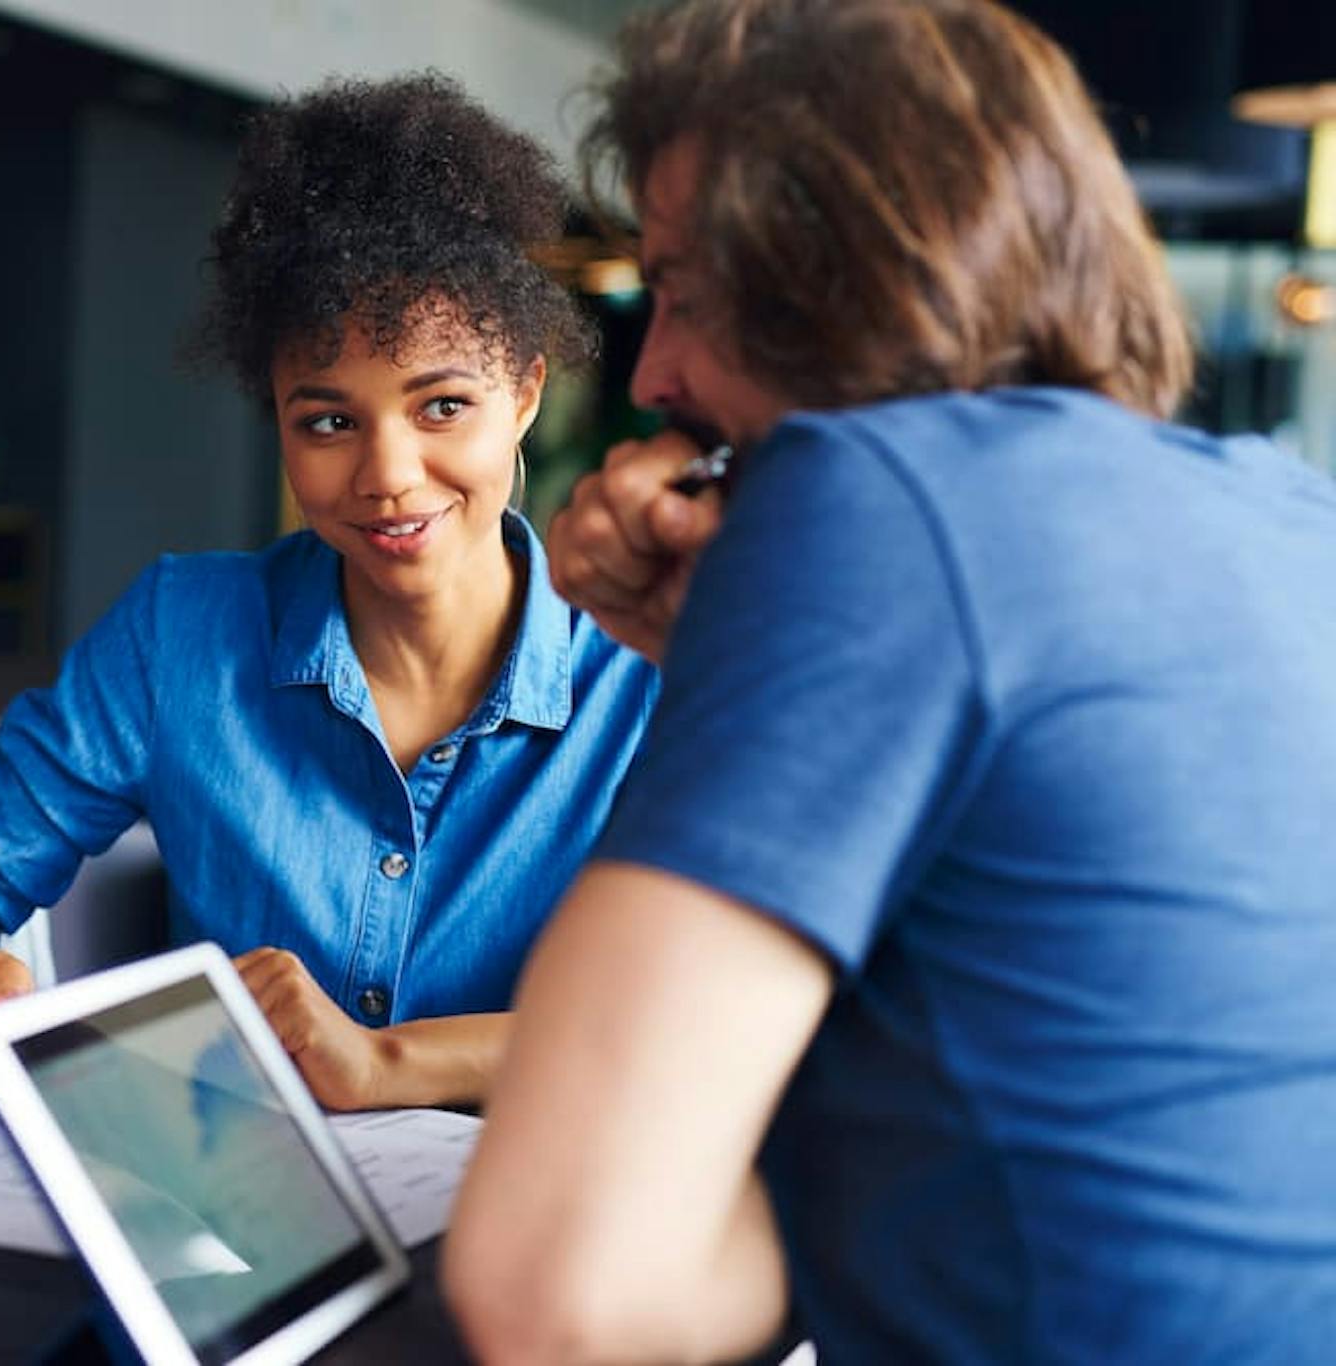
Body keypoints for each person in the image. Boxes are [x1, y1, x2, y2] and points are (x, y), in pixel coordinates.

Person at [445, 0, 1336, 1360]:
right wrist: (724, 657)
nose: (659, 369)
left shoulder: (872, 495)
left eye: (683, 289)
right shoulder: (1288, 515)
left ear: (836, 264)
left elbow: (567, 1289)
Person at [0, 74, 660, 1112]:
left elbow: (669, 1026)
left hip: (523, 1221)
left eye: (442, 406)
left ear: (522, 392)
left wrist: (388, 1064)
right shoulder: (180, 634)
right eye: (327, 421)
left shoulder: (644, 679)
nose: (385, 474)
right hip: (241, 1219)